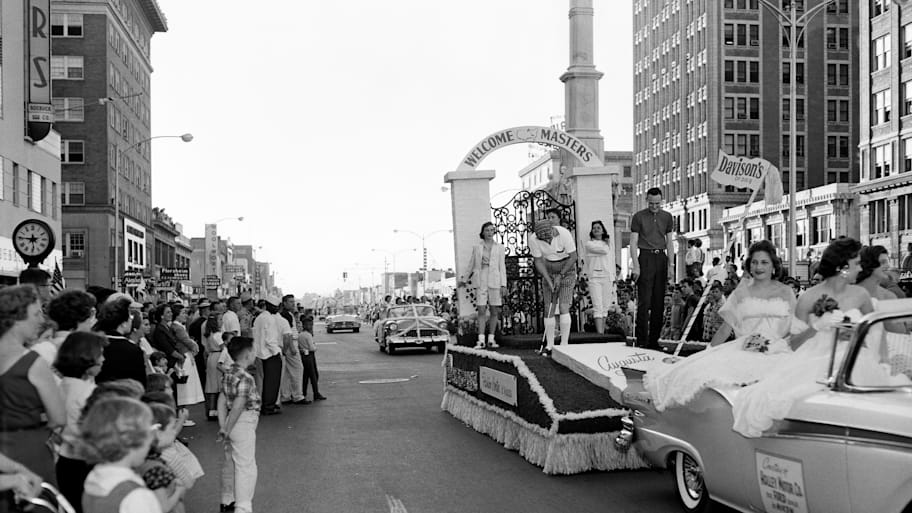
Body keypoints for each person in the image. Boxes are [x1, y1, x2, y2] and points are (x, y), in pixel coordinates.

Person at [644, 240, 797, 415]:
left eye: (764, 262)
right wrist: (708, 352)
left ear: (773, 265)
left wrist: (776, 344)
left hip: (777, 351)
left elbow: (794, 327)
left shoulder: (786, 292)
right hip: (744, 349)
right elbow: (725, 329)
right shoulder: (741, 292)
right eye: (754, 262)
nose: (759, 267)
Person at [0, 285, 66, 508]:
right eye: (36, 313)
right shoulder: (33, 362)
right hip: (31, 450)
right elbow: (59, 417)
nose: (41, 319)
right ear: (17, 318)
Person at [80, 397, 162, 513]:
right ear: (131, 439)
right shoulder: (137, 496)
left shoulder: (94, 477)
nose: (152, 440)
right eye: (149, 432)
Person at [54, 331, 105, 513]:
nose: (103, 359)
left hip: (67, 459)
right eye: (100, 354)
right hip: (85, 462)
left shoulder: (63, 384)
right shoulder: (85, 393)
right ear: (86, 358)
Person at [218, 336, 260, 513]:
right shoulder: (246, 377)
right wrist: (226, 429)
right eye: (254, 349)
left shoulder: (228, 372)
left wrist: (223, 426)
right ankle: (243, 507)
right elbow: (238, 404)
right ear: (248, 354)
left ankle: (227, 500)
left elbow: (222, 400)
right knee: (246, 467)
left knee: (230, 463)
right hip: (242, 421)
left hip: (230, 422)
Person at [630, 187, 675, 350]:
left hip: (661, 257)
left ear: (661, 201)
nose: (654, 206)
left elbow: (669, 242)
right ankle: (642, 339)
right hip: (645, 257)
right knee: (644, 301)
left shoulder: (667, 217)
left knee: (658, 302)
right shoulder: (638, 217)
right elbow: (633, 242)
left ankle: (654, 340)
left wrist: (671, 265)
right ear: (646, 200)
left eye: (657, 203)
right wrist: (636, 266)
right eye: (651, 203)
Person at [529, 209, 578, 356]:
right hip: (548, 268)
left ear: (552, 231)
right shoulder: (533, 239)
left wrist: (560, 275)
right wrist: (549, 279)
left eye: (549, 238)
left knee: (563, 306)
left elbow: (573, 257)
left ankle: (564, 345)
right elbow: (538, 261)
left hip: (567, 268)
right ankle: (550, 345)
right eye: (544, 240)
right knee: (549, 307)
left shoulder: (563, 233)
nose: (548, 242)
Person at [458, 222, 507, 348]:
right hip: (481, 279)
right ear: (483, 232)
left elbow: (502, 266)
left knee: (494, 309)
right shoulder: (477, 247)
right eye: (487, 230)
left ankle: (491, 338)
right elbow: (471, 264)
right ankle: (480, 339)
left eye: (492, 230)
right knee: (481, 309)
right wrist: (464, 279)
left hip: (495, 279)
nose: (490, 233)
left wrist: (503, 284)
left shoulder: (499, 247)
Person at [33, 290, 97, 366]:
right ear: (81, 318)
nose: (93, 321)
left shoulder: (40, 346)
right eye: (91, 316)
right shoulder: (81, 350)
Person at [252, 296, 293, 415]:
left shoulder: (259, 318)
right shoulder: (270, 319)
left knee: (264, 382)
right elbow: (270, 340)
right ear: (272, 306)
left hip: (260, 354)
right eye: (276, 307)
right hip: (270, 354)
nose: (277, 309)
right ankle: (269, 406)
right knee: (272, 382)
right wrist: (277, 352)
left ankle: (264, 405)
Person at [95, 298, 147, 388]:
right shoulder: (133, 350)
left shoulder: (92, 343)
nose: (131, 320)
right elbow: (140, 384)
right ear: (123, 323)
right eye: (130, 317)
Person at [584, 220, 615, 335]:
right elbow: (604, 251)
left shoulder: (607, 243)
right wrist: (603, 248)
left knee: (605, 306)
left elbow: (609, 259)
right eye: (594, 228)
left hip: (607, 276)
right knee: (597, 305)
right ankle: (599, 333)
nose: (596, 230)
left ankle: (603, 331)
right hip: (595, 277)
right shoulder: (589, 244)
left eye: (599, 228)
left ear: (603, 230)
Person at [278, 295, 306, 405]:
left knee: (287, 372)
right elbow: (288, 333)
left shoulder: (286, 314)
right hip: (290, 344)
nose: (293, 304)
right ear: (284, 303)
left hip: (288, 344)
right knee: (298, 369)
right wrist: (292, 347)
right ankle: (298, 395)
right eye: (290, 302)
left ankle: (286, 395)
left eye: (293, 302)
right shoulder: (286, 315)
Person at [203, 313, 225, 420]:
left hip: (211, 357)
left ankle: (210, 410)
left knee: (211, 385)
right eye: (220, 319)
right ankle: (216, 409)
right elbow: (224, 347)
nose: (222, 321)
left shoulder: (209, 335)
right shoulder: (218, 335)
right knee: (217, 385)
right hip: (218, 357)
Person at [298, 316, 325, 402]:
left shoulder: (300, 334)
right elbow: (312, 348)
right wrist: (315, 346)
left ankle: (304, 392)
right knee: (313, 375)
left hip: (303, 355)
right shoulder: (308, 335)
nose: (311, 326)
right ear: (305, 325)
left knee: (305, 375)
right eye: (309, 325)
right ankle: (316, 393)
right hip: (309, 355)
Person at [151, 305, 185, 369]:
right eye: (168, 312)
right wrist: (180, 357)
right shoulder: (159, 330)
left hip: (173, 360)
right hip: (167, 362)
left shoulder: (167, 327)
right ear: (162, 316)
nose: (171, 314)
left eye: (171, 312)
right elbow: (168, 348)